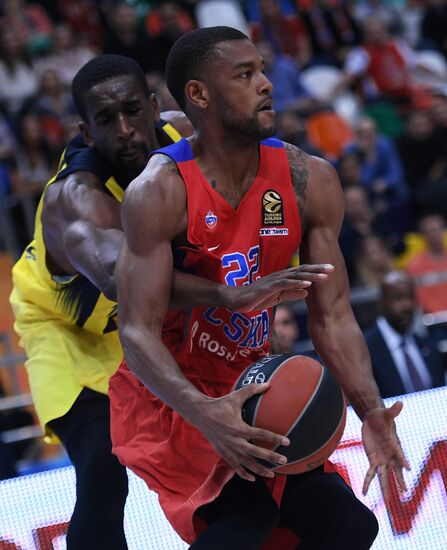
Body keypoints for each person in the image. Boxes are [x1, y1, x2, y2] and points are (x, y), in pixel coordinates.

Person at [9, 53, 325, 550]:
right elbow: (122, 278)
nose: (126, 131)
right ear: (85, 133)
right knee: (102, 467)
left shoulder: (185, 139)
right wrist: (228, 294)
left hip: (149, 323)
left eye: (133, 112)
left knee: (228, 473)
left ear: (155, 108)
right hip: (67, 331)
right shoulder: (76, 197)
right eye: (106, 121)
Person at [109, 27, 409, 549]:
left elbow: (332, 315)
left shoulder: (307, 178)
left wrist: (372, 412)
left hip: (252, 384)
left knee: (348, 527)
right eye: (245, 75)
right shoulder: (159, 191)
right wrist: (205, 413)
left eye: (262, 70)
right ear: (199, 95)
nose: (266, 84)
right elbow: (137, 331)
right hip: (170, 401)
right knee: (245, 523)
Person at [364, 270, 446, 398]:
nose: (407, 305)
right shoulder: (365, 349)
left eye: (411, 297)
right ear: (381, 303)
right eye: (398, 298)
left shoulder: (429, 345)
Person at [405, 213, 447, 314]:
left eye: (438, 229)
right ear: (423, 236)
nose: (435, 234)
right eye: (431, 231)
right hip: (432, 321)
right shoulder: (414, 265)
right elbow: (417, 297)